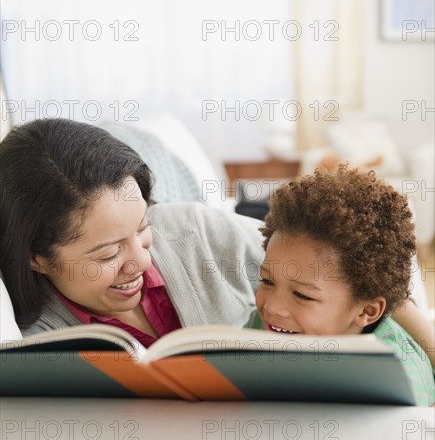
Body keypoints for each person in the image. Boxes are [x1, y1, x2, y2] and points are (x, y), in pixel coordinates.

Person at [0, 118, 433, 365]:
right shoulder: (39, 336)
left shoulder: (196, 233)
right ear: (37, 257)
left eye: (141, 227)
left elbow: (361, 272)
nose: (140, 259)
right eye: (109, 253)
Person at [253, 165, 435, 406]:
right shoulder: (267, 325)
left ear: (366, 311)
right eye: (267, 281)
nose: (272, 307)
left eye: (302, 295)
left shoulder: (399, 380)